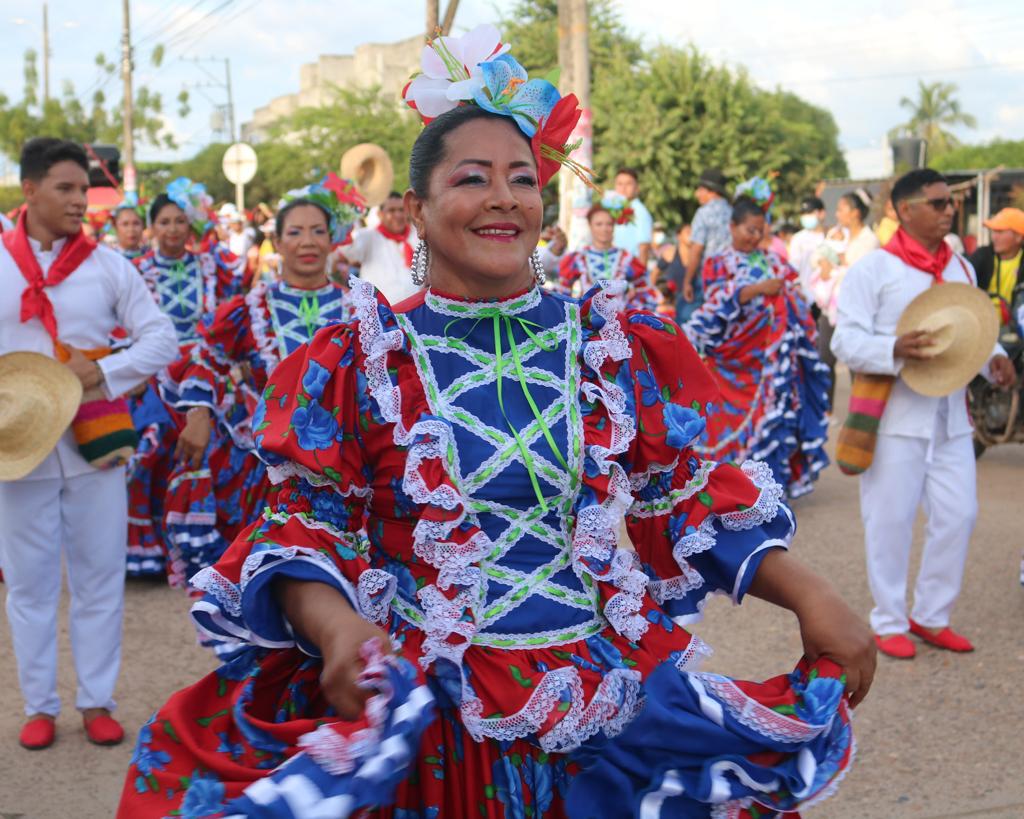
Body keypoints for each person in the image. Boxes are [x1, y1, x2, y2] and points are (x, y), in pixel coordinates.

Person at [119, 28, 872, 818]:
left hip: (599, 689)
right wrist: (339, 627)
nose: (504, 197)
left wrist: (812, 591)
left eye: (523, 177)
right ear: (415, 208)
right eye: (472, 178)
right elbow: (309, 524)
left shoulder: (611, 346)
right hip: (434, 706)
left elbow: (679, 497)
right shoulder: (357, 359)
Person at [0, 138, 177, 750]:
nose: (81, 200)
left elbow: (162, 338)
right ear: (29, 190)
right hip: (16, 446)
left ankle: (96, 700)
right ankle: (39, 705)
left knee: (102, 577)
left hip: (95, 439)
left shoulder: (108, 266)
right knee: (28, 583)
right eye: (66, 189)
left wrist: (102, 373)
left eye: (84, 189)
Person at [831, 168, 1016, 660]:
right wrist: (894, 347)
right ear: (904, 209)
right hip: (893, 418)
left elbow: (973, 327)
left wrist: (993, 354)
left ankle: (932, 615)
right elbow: (844, 339)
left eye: (949, 203)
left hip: (951, 416)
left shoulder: (961, 268)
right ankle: (889, 619)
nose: (948, 210)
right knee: (889, 521)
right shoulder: (873, 269)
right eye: (937, 203)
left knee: (959, 516)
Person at [157, 175, 364, 592]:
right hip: (263, 466)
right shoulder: (249, 309)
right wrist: (198, 413)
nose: (307, 241)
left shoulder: (357, 308)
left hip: (345, 465)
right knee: (265, 584)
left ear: (333, 240)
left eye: (317, 231)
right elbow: (208, 358)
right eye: (295, 232)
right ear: (279, 242)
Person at [127, 179, 246, 583]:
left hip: (207, 369)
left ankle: (212, 546)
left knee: (227, 441)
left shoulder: (212, 265)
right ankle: (159, 551)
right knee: (155, 445)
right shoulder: (137, 270)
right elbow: (124, 325)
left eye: (181, 221)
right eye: (165, 221)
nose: (174, 229)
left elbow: (234, 313)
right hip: (156, 369)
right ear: (152, 227)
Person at [685, 187, 831, 498]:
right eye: (749, 230)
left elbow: (797, 293)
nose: (754, 237)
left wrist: (788, 295)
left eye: (760, 231)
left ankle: (769, 485)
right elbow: (715, 304)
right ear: (732, 228)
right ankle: (731, 483)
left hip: (771, 358)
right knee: (726, 419)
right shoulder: (718, 262)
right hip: (733, 357)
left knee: (776, 414)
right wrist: (757, 290)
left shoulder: (774, 261)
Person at [809, 189, 881, 408]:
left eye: (841, 209)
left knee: (855, 361)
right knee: (825, 359)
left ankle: (859, 409)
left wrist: (836, 261)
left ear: (855, 213)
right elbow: (817, 256)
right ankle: (827, 409)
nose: (837, 214)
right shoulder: (837, 234)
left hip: (855, 309)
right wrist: (824, 262)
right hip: (829, 309)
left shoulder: (870, 240)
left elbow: (856, 271)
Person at [557, 203, 659, 311]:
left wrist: (630, 311)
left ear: (614, 226)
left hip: (620, 323)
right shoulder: (578, 258)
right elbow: (562, 292)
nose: (604, 229)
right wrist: (575, 311)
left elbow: (644, 291)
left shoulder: (626, 258)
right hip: (585, 323)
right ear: (590, 225)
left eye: (609, 224)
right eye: (599, 224)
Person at [341, 190, 421, 304]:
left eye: (401, 210)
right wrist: (346, 211)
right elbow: (348, 251)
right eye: (391, 210)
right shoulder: (368, 236)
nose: (397, 215)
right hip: (382, 315)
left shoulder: (418, 235)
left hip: (417, 311)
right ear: (380, 214)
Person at [681, 167, 731, 323]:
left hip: (707, 278)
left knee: (689, 319)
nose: (697, 194)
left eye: (700, 189)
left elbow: (696, 250)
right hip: (730, 277)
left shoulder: (703, 213)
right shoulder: (733, 211)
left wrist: (687, 280)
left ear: (711, 191)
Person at [969, 207, 1024, 327]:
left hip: (1017, 331)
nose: (994, 237)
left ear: (1019, 237)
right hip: (980, 325)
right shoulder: (982, 257)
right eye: (993, 232)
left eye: (1000, 232)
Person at [609, 167, 653, 267]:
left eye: (628, 184)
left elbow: (644, 247)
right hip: (614, 269)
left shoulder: (639, 211)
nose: (623, 188)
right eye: (620, 184)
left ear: (637, 188)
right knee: (597, 283)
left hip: (630, 272)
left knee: (599, 284)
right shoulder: (615, 209)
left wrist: (640, 278)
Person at [788, 195, 827, 303]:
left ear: (822, 213)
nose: (806, 217)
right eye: (804, 214)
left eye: (810, 213)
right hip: (806, 296)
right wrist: (797, 289)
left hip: (827, 297)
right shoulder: (798, 239)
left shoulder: (830, 237)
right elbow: (793, 267)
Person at [654, 223, 691, 321]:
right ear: (679, 236)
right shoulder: (670, 253)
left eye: (693, 232)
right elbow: (653, 275)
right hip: (671, 304)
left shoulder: (697, 255)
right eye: (688, 232)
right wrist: (657, 296)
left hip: (690, 302)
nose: (691, 235)